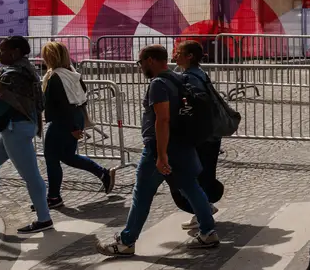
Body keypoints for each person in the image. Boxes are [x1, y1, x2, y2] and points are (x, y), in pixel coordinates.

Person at [96, 45, 219, 256]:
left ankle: (126, 242)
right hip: (183, 144)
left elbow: (162, 119)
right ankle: (208, 232)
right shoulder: (178, 79)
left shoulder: (159, 84)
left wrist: (161, 155)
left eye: (140, 62)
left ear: (151, 60)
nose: (140, 66)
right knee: (191, 187)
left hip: (161, 148)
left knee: (142, 194)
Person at [0, 36, 53, 233]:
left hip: (17, 129)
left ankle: (44, 219)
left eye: (2, 51)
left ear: (14, 52)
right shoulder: (24, 69)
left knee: (30, 175)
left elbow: (1, 105)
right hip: (14, 128)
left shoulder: (14, 75)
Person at [40, 41, 116, 209]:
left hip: (64, 121)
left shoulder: (55, 78)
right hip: (74, 117)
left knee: (52, 158)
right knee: (67, 156)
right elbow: (80, 97)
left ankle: (54, 197)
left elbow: (63, 104)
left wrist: (73, 127)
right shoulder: (72, 73)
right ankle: (102, 173)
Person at [171, 40, 223, 230]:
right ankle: (202, 210)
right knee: (203, 175)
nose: (175, 56)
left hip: (203, 137)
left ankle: (203, 212)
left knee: (195, 177)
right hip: (209, 134)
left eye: (178, 52)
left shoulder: (190, 78)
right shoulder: (197, 74)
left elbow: (196, 108)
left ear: (189, 56)